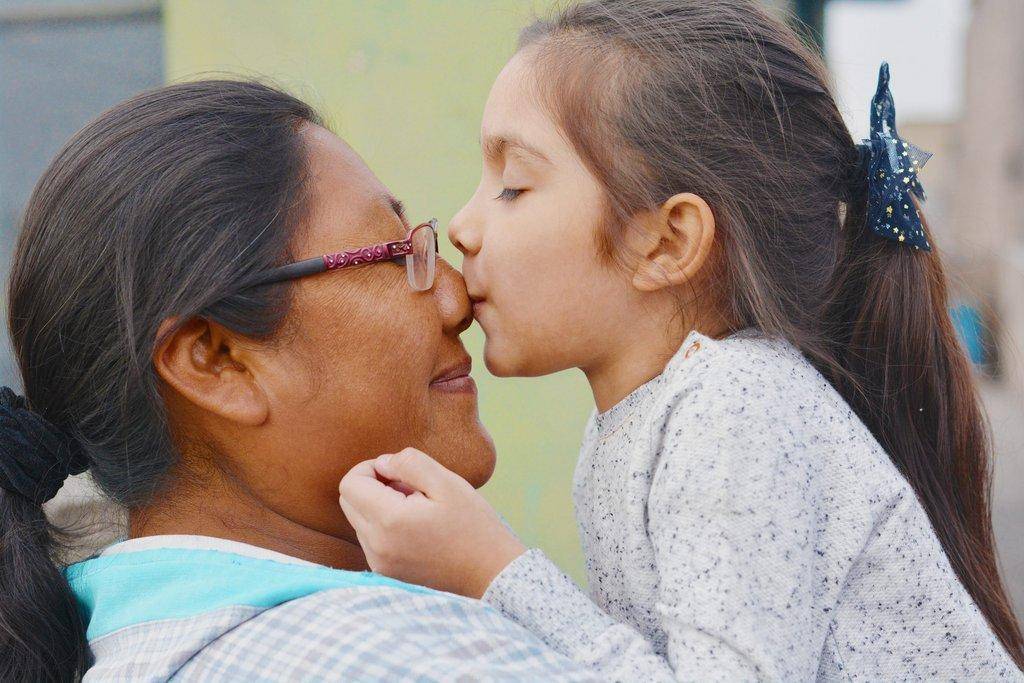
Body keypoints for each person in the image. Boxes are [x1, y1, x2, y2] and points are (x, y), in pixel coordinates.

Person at [338, 0, 1024, 679]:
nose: (462, 225)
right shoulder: (644, 419)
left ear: (669, 241)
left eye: (514, 184)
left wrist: (493, 570)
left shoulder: (735, 407)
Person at [0, 79, 592, 681]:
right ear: (216, 361)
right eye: (395, 255)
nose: (455, 296)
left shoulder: (127, 648)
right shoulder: (386, 658)